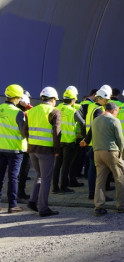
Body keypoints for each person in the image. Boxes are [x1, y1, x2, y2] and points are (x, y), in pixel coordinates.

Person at [92, 102, 124, 216]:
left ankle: (98, 207)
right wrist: (120, 153)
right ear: (114, 111)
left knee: (100, 180)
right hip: (111, 152)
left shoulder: (95, 120)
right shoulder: (114, 121)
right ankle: (121, 205)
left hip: (97, 152)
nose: (117, 114)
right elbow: (120, 140)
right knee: (119, 178)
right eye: (117, 112)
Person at [23, 87, 61, 217]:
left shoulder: (31, 111)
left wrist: (30, 144)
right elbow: (56, 133)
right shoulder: (54, 111)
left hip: (33, 149)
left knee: (39, 176)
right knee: (45, 179)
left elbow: (25, 131)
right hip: (46, 150)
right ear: (53, 99)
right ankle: (43, 208)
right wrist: (57, 150)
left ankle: (32, 201)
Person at [80, 88, 111, 200]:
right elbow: (95, 126)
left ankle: (92, 193)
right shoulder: (98, 110)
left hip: (92, 142)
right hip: (96, 143)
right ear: (98, 98)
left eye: (108, 99)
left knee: (93, 169)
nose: (107, 101)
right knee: (98, 170)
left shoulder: (92, 107)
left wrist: (86, 140)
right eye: (105, 99)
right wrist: (87, 140)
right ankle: (96, 194)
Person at [52, 88, 85, 194]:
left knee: (57, 165)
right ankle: (63, 187)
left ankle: (55, 188)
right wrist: (81, 135)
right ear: (73, 100)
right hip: (69, 142)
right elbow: (83, 123)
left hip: (58, 141)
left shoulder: (56, 108)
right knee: (66, 165)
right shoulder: (73, 111)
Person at [0, 84, 26, 213]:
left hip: (0, 148)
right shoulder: (18, 113)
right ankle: (12, 205)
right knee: (13, 178)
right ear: (17, 97)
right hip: (15, 150)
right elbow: (23, 133)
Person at [17, 92, 33, 200]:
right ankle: (20, 192)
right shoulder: (24, 114)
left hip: (8, 146)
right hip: (23, 146)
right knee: (23, 171)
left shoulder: (11, 112)